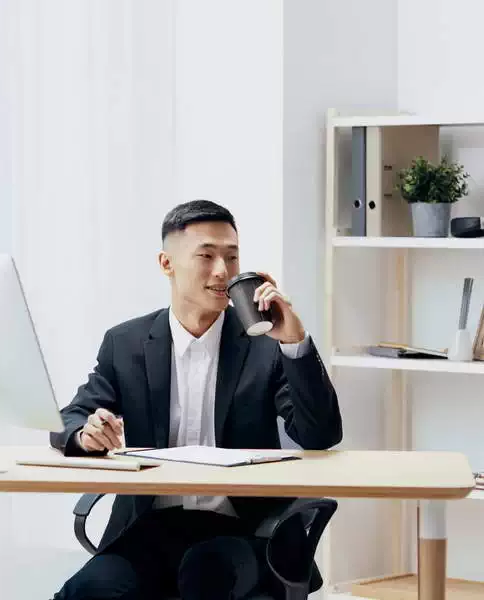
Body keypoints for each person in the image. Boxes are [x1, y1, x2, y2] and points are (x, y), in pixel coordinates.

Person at [49, 200, 342, 600]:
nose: (223, 271)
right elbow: (69, 418)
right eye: (206, 256)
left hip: (245, 531)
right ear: (167, 263)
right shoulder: (126, 343)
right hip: (150, 528)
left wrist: (294, 342)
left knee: (206, 575)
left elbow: (320, 434)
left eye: (232, 257)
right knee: (88, 590)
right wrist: (86, 434)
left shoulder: (265, 344)